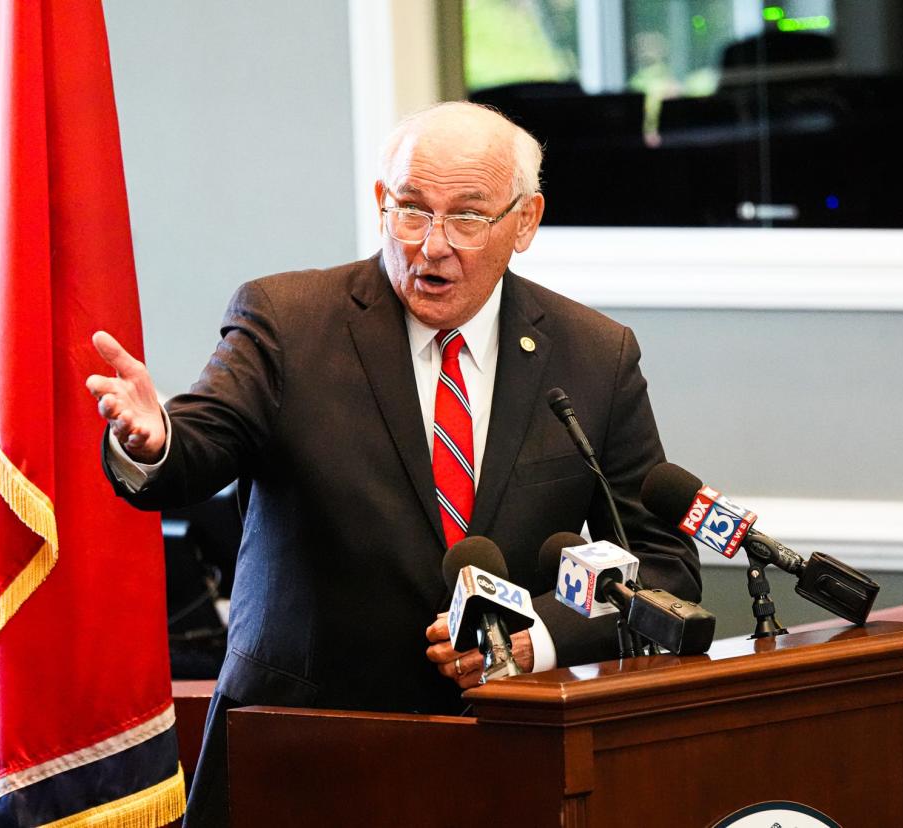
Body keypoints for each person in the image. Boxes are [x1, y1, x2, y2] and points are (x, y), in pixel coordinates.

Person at [85, 102, 700, 825]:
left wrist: (540, 638)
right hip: (302, 753)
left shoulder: (594, 356)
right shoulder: (287, 320)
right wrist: (154, 437)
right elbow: (202, 439)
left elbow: (660, 567)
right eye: (410, 210)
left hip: (507, 759)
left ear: (525, 222)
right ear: (382, 203)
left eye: (467, 217)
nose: (431, 245)